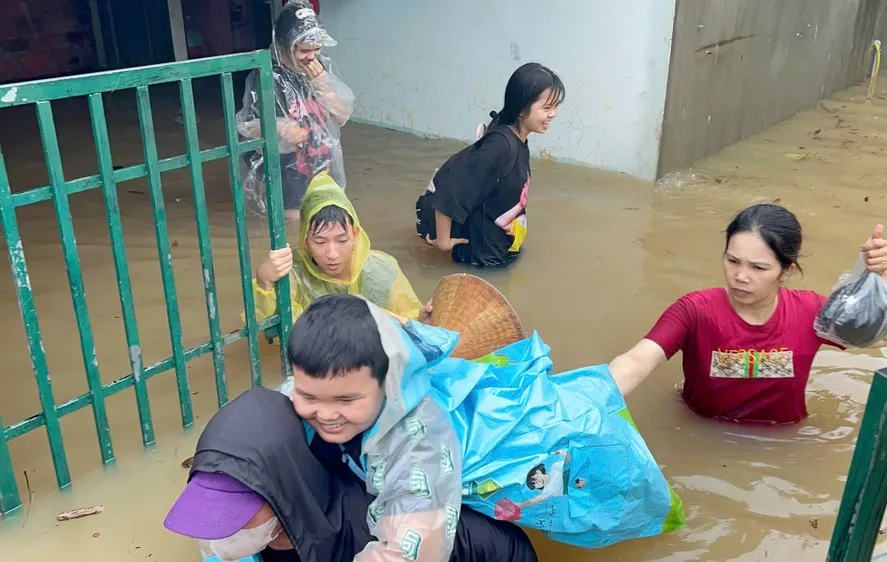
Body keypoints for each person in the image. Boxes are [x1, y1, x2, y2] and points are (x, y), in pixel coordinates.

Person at [279, 293, 684, 554]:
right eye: (308, 396)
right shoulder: (340, 378)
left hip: (568, 440)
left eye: (346, 400)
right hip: (524, 410)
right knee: (599, 387)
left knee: (606, 457)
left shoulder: (418, 444)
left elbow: (409, 550)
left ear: (388, 384)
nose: (325, 413)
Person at [164, 387, 539, 562]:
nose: (219, 535)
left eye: (236, 516)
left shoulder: (368, 540)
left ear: (284, 493)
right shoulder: (275, 537)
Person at [607, 204, 887, 425]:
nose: (740, 277)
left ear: (787, 271)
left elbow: (883, 340)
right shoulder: (695, 311)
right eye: (732, 261)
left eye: (758, 268)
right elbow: (636, 361)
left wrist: (877, 278)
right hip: (704, 430)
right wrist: (588, 400)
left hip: (783, 442)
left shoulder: (812, 313)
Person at [416, 63, 565, 268]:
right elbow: (450, 192)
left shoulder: (518, 140)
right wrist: (443, 243)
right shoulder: (500, 147)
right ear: (522, 109)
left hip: (500, 254)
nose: (554, 113)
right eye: (547, 107)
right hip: (480, 264)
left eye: (556, 106)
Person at [253, 172, 431, 323]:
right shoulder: (291, 273)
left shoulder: (382, 269)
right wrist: (264, 283)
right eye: (320, 242)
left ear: (355, 235)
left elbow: (406, 319)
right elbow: (272, 331)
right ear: (305, 241)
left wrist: (421, 318)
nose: (332, 254)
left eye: (342, 240)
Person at [237, 0, 354, 221]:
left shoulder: (319, 69)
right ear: (284, 45)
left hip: (320, 160)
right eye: (304, 50)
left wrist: (321, 82)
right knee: (295, 223)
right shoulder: (265, 76)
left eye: (317, 49)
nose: (312, 57)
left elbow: (342, 116)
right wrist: (281, 126)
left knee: (326, 218)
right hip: (287, 168)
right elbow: (247, 128)